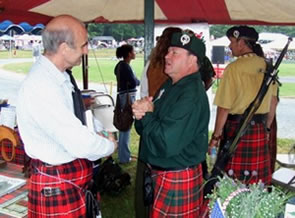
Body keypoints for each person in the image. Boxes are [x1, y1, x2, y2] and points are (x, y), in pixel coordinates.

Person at [16, 15, 116, 217]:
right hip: (56, 182)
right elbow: (79, 142)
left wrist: (99, 131)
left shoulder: (59, 76)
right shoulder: (42, 85)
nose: (87, 50)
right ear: (64, 48)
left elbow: (77, 118)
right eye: (83, 45)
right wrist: (109, 146)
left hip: (68, 178)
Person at [133, 31, 210, 217]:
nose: (167, 56)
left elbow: (165, 143)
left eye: (175, 52)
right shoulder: (170, 85)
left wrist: (147, 114)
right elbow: (145, 130)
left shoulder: (190, 94)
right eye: (168, 51)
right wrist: (140, 113)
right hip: (164, 175)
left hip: (177, 177)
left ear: (192, 60)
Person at [209, 25, 277, 185]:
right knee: (257, 183)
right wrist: (266, 128)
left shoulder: (234, 68)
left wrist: (216, 137)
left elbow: (224, 107)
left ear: (241, 43)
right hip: (259, 131)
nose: (229, 46)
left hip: (236, 130)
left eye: (232, 42)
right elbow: (273, 102)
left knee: (232, 183)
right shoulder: (268, 66)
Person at [136, 26, 182, 218]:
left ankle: (145, 209)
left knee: (147, 175)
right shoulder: (177, 67)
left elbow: (144, 92)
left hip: (151, 118)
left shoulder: (151, 64)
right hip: (167, 122)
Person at [114, 44, 140, 164]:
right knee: (126, 126)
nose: (135, 53)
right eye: (133, 51)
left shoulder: (120, 66)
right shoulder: (125, 66)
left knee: (124, 127)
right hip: (127, 97)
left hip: (123, 96)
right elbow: (134, 82)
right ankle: (124, 157)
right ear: (129, 54)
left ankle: (124, 154)